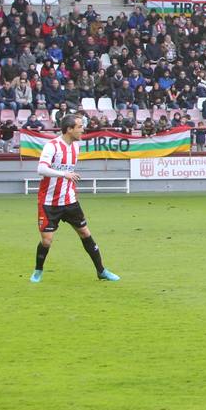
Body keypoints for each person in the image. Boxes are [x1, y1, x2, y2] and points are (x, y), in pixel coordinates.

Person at [31, 114, 119, 283]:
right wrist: (64, 174)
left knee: (85, 233)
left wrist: (66, 176)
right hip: (49, 202)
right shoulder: (52, 146)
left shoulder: (76, 147)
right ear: (69, 129)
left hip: (70, 200)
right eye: (79, 127)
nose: (82, 130)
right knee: (47, 241)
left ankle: (101, 271)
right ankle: (38, 270)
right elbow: (41, 169)